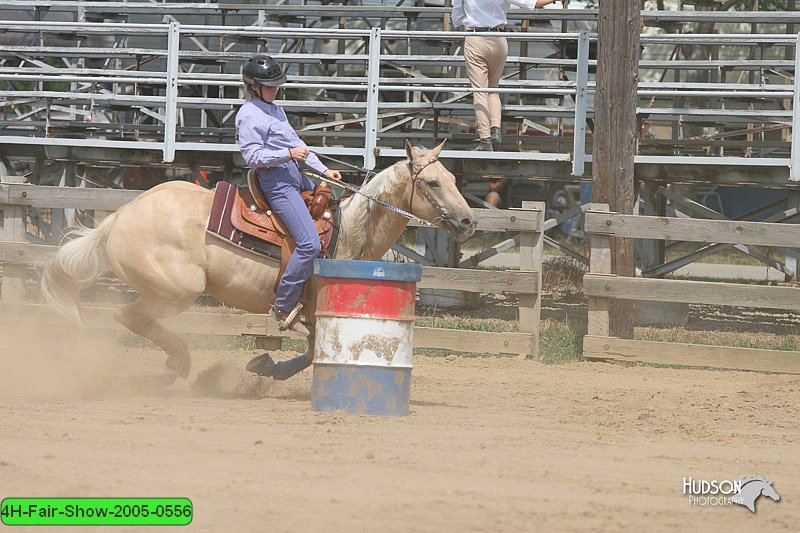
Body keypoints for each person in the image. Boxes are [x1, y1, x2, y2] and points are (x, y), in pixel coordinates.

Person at [235, 54, 342, 336]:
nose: (275, 89)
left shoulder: (275, 109)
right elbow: (252, 155)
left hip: (294, 174)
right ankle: (284, 305)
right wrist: (288, 154)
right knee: (308, 243)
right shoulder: (248, 115)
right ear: (254, 87)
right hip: (276, 182)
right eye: (269, 86)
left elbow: (298, 145)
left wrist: (323, 170)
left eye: (276, 85)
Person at [452, 0, 559, 151]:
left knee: (480, 92)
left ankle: (485, 139)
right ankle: (495, 129)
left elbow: (456, 19)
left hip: (475, 37)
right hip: (499, 38)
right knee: (493, 89)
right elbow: (531, 3)